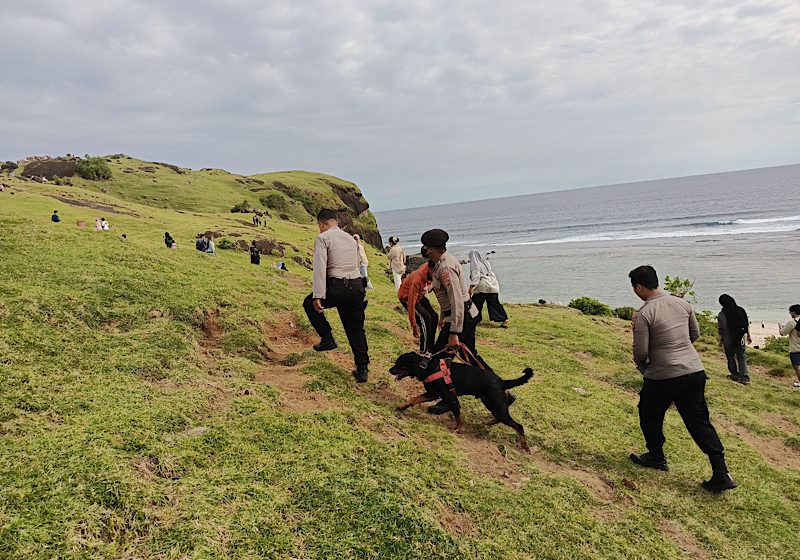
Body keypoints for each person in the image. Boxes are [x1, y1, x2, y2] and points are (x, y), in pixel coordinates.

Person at [628, 265, 736, 492]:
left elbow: (641, 352)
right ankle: (721, 472)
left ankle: (656, 456)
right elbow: (694, 334)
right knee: (698, 421)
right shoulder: (682, 303)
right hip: (694, 371)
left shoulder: (643, 313)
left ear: (639, 287)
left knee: (649, 414)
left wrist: (645, 368)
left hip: (662, 375)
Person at [302, 209, 369, 382]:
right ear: (336, 221)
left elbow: (320, 267)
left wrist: (318, 295)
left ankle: (327, 338)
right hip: (356, 286)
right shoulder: (350, 238)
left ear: (321, 224)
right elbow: (356, 263)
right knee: (355, 328)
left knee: (309, 303)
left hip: (337, 286)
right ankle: (362, 369)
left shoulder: (323, 238)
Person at [398, 260, 438, 354]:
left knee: (434, 316)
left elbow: (431, 282)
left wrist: (429, 286)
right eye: (435, 273)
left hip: (419, 295)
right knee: (425, 319)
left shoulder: (429, 268)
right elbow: (411, 304)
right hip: (407, 297)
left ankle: (431, 346)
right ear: (430, 269)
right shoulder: (417, 280)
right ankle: (423, 350)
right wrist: (414, 325)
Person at [468, 250, 509, 328]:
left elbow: (476, 278)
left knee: (476, 304)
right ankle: (504, 319)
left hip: (483, 287)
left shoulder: (475, 266)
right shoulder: (486, 263)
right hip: (493, 285)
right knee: (495, 304)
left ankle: (475, 319)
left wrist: (470, 288)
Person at [717, 294, 752, 384]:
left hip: (728, 338)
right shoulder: (740, 310)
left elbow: (722, 328)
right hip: (741, 337)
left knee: (730, 357)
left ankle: (735, 374)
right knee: (741, 357)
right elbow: (746, 324)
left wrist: (720, 340)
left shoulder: (722, 314)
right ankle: (744, 377)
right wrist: (748, 335)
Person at [778, 304, 800, 388]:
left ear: (794, 312)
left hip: (795, 348)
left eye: (790, 312)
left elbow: (783, 333)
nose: (790, 314)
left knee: (797, 367)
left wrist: (780, 327)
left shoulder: (792, 322)